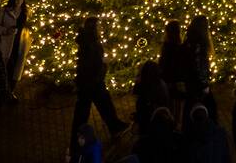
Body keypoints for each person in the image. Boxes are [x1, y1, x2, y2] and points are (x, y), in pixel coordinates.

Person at [69, 17, 129, 154]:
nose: (101, 28)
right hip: (92, 83)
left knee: (101, 105)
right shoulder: (93, 45)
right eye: (99, 26)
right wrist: (104, 64)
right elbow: (92, 66)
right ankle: (76, 144)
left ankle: (114, 126)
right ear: (94, 29)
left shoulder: (87, 42)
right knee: (88, 111)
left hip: (88, 83)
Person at [0, 0, 29, 99]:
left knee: (16, 70)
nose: (19, 1)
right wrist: (6, 31)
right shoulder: (4, 11)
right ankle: (2, 91)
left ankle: (10, 92)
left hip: (20, 44)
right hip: (6, 44)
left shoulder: (26, 11)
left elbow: (28, 26)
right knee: (6, 67)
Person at [183, 16, 215, 117]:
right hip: (197, 84)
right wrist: (204, 84)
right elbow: (198, 65)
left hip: (190, 81)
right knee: (206, 108)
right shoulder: (198, 44)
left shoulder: (189, 40)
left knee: (190, 106)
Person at [133, 60, 171, 137]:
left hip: (152, 120)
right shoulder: (160, 83)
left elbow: (144, 107)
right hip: (158, 118)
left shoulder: (150, 88)